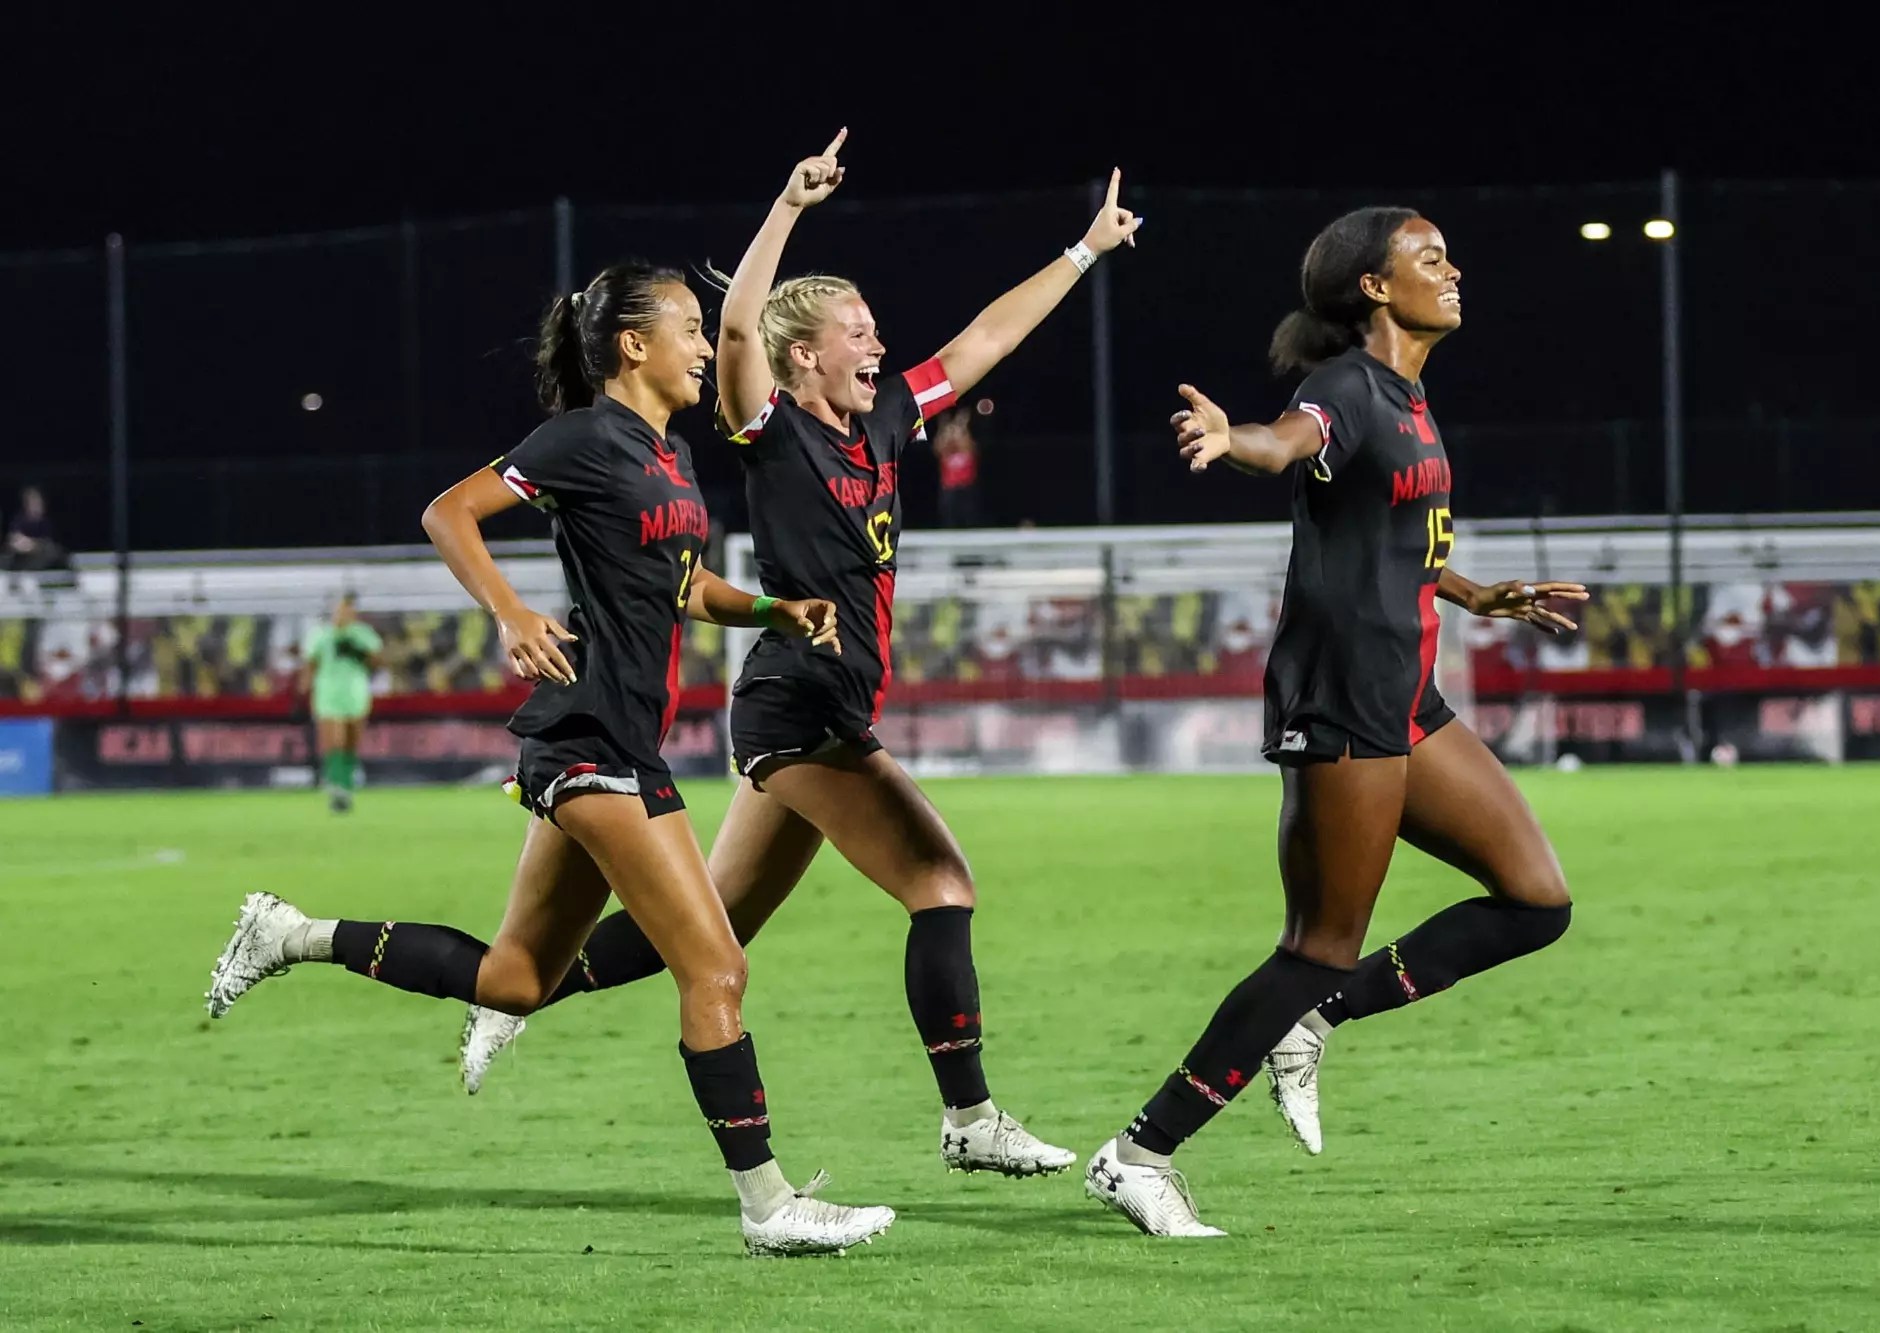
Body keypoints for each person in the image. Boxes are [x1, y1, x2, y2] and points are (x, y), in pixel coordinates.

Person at [455, 131, 1141, 1180]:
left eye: (874, 330)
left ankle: (519, 997)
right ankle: (968, 1119)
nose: (876, 344)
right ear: (803, 355)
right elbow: (736, 323)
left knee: (701, 934)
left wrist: (1083, 251)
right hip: (796, 707)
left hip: (822, 702)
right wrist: (787, 204)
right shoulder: (765, 425)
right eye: (853, 331)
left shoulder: (888, 422)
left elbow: (981, 343)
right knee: (940, 885)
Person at [203, 261, 894, 1257]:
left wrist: (771, 608)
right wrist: (512, 609)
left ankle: (289, 934)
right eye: (691, 329)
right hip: (585, 740)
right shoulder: (578, 439)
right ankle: (768, 1203)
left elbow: (687, 587)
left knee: (519, 979)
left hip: (622, 740)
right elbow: (449, 512)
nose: (707, 346)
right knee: (714, 967)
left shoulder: (671, 455)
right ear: (633, 345)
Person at [1081, 209, 1587, 1236]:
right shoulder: (1348, 386)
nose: (1452, 270)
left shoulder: (1408, 398)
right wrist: (1235, 441)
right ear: (1371, 288)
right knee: (1315, 944)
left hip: (1407, 698)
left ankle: (1317, 1017)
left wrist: (1476, 593)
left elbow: (1392, 534)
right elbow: (1290, 443)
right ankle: (1137, 1153)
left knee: (1535, 901)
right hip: (1340, 700)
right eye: (1428, 258)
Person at [298, 593, 383, 812]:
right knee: (334, 741)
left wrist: (358, 652)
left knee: (351, 743)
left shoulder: (362, 634)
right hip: (328, 693)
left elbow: (376, 662)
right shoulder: (320, 635)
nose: (344, 614)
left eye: (348, 610)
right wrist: (303, 690)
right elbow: (311, 664)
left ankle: (346, 785)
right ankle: (336, 788)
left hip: (355, 693)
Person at [5, 486, 70, 590]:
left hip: (42, 557)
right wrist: (27, 545)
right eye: (33, 503)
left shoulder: (45, 523)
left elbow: (48, 543)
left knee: (57, 552)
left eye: (38, 503)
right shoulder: (20, 520)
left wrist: (33, 545)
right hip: (24, 558)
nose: (36, 506)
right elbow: (14, 540)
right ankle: (14, 585)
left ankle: (66, 583)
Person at [931, 404, 984, 528]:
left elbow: (964, 442)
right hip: (949, 489)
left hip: (966, 488)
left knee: (969, 517)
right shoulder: (945, 450)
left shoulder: (967, 448)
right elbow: (939, 446)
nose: (953, 435)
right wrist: (943, 427)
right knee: (949, 518)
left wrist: (961, 425)